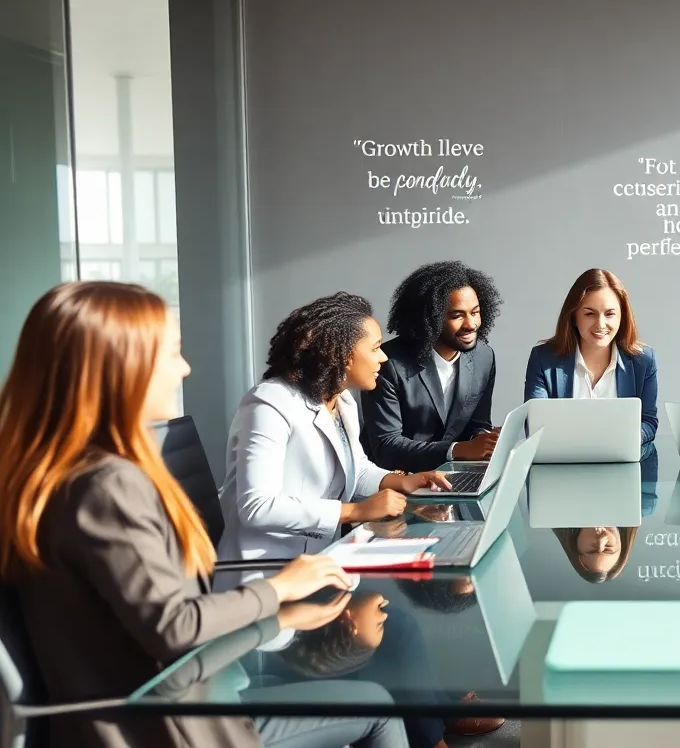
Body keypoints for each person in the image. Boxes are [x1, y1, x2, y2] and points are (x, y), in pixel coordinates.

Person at [0, 281, 406, 748]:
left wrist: (283, 613)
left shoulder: (52, 474)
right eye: (172, 353)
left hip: (161, 693)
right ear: (120, 367)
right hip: (168, 724)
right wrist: (281, 588)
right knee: (378, 702)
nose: (185, 368)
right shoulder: (107, 486)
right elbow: (175, 627)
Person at [218, 293, 451, 569]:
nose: (383, 357)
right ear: (338, 353)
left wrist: (405, 481)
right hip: (264, 570)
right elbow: (256, 507)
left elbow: (355, 470)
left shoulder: (342, 401)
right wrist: (355, 511)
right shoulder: (269, 403)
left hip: (318, 561)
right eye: (375, 348)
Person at [362, 261, 503, 472]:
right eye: (457, 315)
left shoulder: (484, 357)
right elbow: (386, 447)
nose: (471, 324)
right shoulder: (387, 362)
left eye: (475, 312)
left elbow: (477, 424)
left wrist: (487, 441)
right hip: (395, 479)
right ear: (430, 319)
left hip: (453, 476)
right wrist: (457, 450)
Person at [524, 269, 658, 455]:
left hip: (619, 463)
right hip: (563, 464)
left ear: (622, 317)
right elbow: (534, 425)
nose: (600, 324)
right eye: (589, 314)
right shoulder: (543, 358)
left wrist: (630, 438)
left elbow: (649, 421)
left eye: (610, 314)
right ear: (574, 316)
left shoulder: (643, 361)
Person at [553, 527, 638, 583]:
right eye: (608, 547)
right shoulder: (641, 506)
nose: (601, 539)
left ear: (576, 544)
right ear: (621, 542)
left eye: (593, 549)